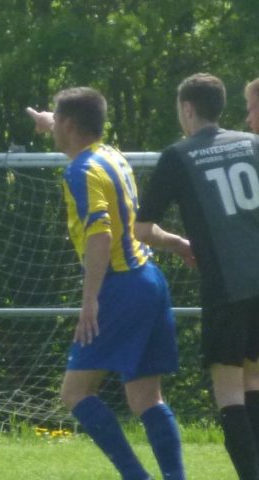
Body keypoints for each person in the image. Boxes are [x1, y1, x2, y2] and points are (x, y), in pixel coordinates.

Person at [26, 88, 186, 480]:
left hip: (118, 287)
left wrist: (90, 300)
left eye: (56, 124)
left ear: (68, 125)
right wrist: (178, 243)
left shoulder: (80, 172)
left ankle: (136, 476)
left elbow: (99, 234)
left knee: (75, 393)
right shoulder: (111, 155)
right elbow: (130, 224)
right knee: (147, 397)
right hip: (149, 280)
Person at [135, 73, 259, 479]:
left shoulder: (179, 155)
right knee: (255, 378)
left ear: (188, 109)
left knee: (228, 390)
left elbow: (143, 228)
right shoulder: (253, 144)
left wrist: (180, 244)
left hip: (226, 287)